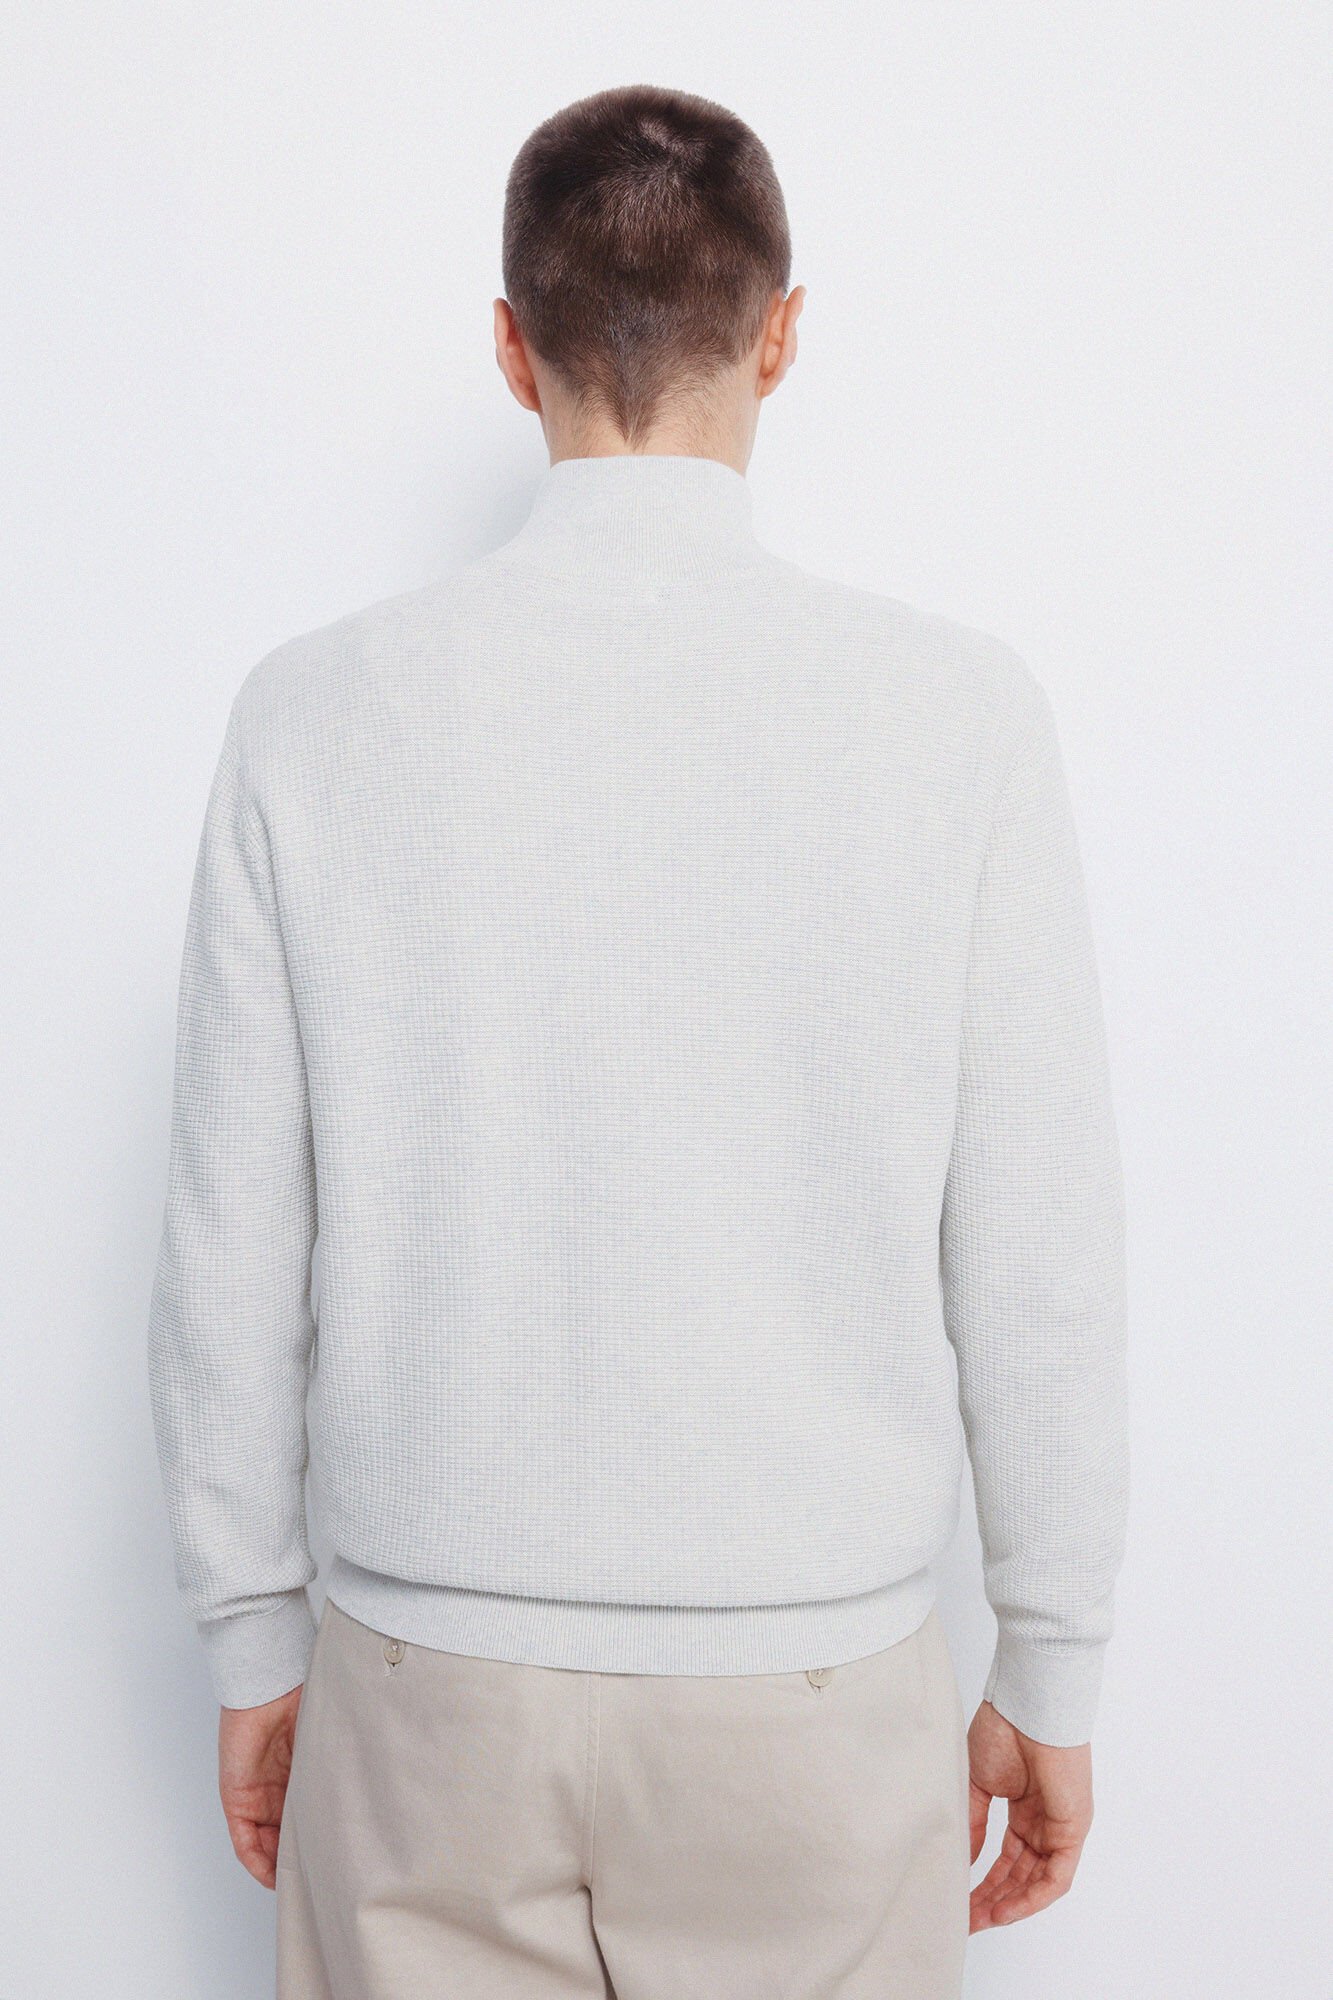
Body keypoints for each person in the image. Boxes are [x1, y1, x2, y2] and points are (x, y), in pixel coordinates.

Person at [148, 82, 1128, 2000]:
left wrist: (254, 1640)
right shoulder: (956, 719)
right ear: (781, 335)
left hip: (423, 1705)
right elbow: (1040, 1258)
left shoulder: (312, 715)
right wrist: (1053, 1662)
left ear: (510, 350)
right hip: (810, 1704)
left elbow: (226, 1250)